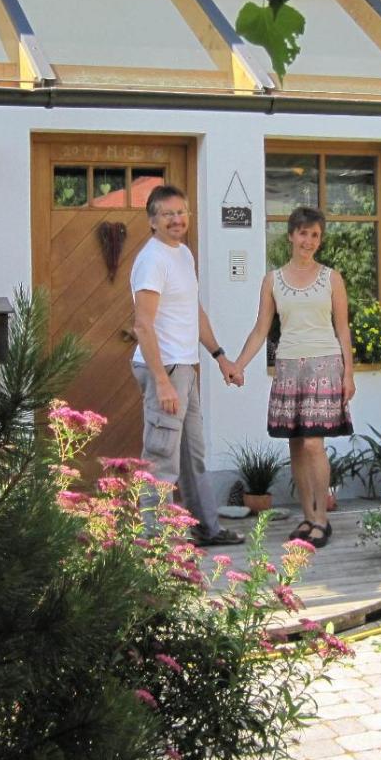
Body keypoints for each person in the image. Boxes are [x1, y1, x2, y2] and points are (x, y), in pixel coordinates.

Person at [230, 206, 355, 547]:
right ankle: (308, 516)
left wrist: (349, 374)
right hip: (288, 366)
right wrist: (239, 364)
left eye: (315, 235)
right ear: (290, 235)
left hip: (324, 365)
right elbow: (261, 329)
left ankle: (322, 519)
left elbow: (343, 329)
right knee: (297, 444)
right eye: (303, 233)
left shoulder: (332, 278)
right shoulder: (273, 280)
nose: (308, 241)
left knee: (314, 443)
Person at [130, 184, 245, 546]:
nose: (177, 219)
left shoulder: (182, 254)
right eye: (168, 214)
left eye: (181, 212)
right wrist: (162, 382)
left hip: (185, 368)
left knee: (192, 455)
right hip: (165, 370)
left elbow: (192, 311)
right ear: (152, 221)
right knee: (161, 457)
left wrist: (219, 356)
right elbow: (143, 325)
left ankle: (205, 528)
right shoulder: (152, 260)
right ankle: (155, 540)